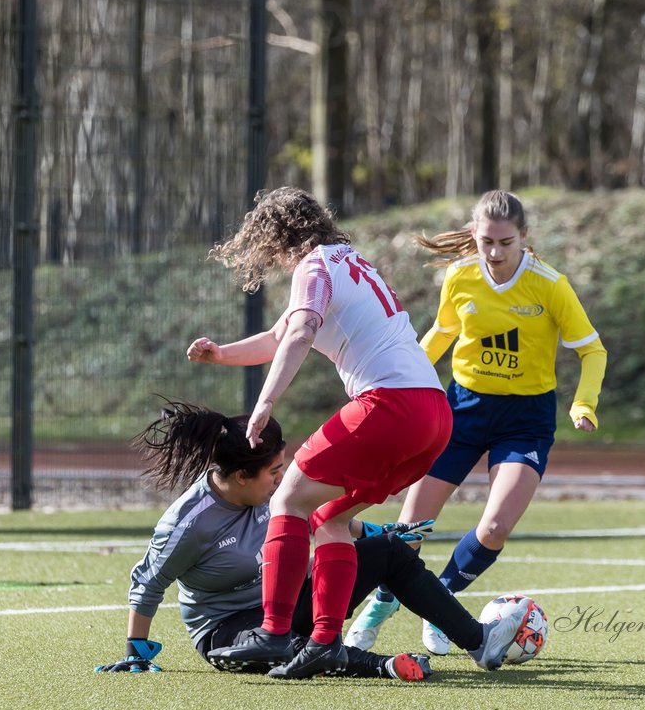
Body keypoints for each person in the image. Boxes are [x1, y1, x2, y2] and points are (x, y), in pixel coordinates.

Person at [185, 187, 459, 679]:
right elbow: (278, 337)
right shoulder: (349, 261)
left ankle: (271, 632)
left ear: (274, 238)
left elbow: (301, 332)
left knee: (287, 499)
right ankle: (325, 642)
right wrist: (221, 354)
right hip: (433, 414)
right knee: (328, 518)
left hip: (390, 404)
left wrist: (266, 401)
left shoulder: (313, 267)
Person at [346, 190, 607, 656]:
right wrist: (401, 381)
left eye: (506, 242)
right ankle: (380, 608)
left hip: (525, 420)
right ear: (474, 234)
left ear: (524, 237)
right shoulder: (460, 275)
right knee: (412, 529)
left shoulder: (550, 284)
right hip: (462, 410)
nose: (495, 252)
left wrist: (582, 404)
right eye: (486, 241)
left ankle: (439, 601)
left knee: (494, 528)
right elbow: (443, 333)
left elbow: (592, 349)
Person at [94, 401, 525, 679]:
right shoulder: (189, 522)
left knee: (390, 553)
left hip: (286, 605)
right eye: (274, 472)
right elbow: (148, 582)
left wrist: (377, 533)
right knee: (294, 647)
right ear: (242, 476)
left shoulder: (276, 496)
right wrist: (137, 651)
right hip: (232, 630)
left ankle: (478, 641)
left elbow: (321, 520)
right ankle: (381, 666)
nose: (284, 479)